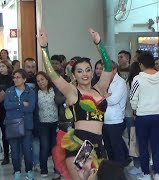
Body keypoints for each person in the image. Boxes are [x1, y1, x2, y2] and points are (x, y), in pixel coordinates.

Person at [38, 27, 112, 180]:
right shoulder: (72, 92)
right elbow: (52, 73)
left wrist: (99, 44)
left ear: (92, 72)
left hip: (99, 144)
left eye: (87, 70)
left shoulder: (99, 89)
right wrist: (44, 48)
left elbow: (109, 66)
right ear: (73, 74)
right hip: (81, 145)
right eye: (80, 71)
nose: (85, 74)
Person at [130, 51, 159, 180]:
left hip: (143, 116)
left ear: (141, 64)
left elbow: (133, 97)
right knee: (156, 145)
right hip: (157, 115)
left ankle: (145, 173)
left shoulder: (138, 79)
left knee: (143, 146)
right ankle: (157, 173)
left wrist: (135, 109)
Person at [4, 69, 36, 180]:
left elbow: (31, 108)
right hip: (12, 124)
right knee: (14, 151)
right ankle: (17, 171)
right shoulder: (9, 91)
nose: (15, 79)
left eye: (18, 77)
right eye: (14, 77)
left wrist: (15, 107)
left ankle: (29, 171)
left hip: (26, 125)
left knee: (27, 150)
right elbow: (6, 106)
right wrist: (21, 103)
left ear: (24, 79)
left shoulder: (30, 92)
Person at [103, 61, 129, 166]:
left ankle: (120, 169)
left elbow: (113, 100)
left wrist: (103, 96)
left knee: (116, 147)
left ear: (114, 70)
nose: (105, 73)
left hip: (115, 120)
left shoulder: (120, 82)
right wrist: (106, 95)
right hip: (104, 119)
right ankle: (113, 167)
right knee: (109, 147)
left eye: (108, 70)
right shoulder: (105, 81)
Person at [34, 71, 60, 179]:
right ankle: (44, 169)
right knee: (44, 147)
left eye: (42, 79)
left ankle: (57, 170)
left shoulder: (54, 90)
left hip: (55, 123)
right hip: (43, 124)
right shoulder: (36, 93)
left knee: (55, 148)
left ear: (47, 79)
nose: (40, 82)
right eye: (38, 81)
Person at [0, 60, 14, 165]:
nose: (1, 68)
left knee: (14, 132)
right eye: (0, 66)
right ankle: (6, 155)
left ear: (8, 67)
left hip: (11, 108)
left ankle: (16, 154)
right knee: (4, 133)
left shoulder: (12, 79)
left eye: (3, 66)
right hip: (1, 109)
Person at [125, 62, 142, 175]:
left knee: (133, 141)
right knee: (138, 141)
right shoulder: (143, 81)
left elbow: (130, 99)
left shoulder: (131, 82)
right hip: (139, 115)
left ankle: (137, 165)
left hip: (131, 115)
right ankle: (139, 164)